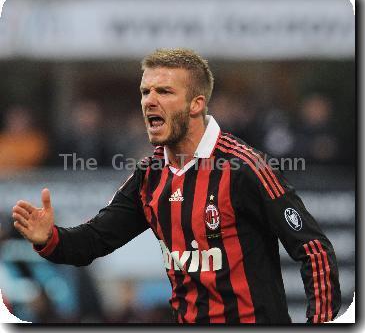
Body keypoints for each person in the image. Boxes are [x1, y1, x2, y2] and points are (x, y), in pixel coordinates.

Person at [12, 48, 341, 324]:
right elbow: (95, 241)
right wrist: (50, 239)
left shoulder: (245, 167)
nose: (149, 101)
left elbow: (314, 252)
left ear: (196, 104)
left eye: (164, 91)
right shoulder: (150, 175)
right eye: (145, 92)